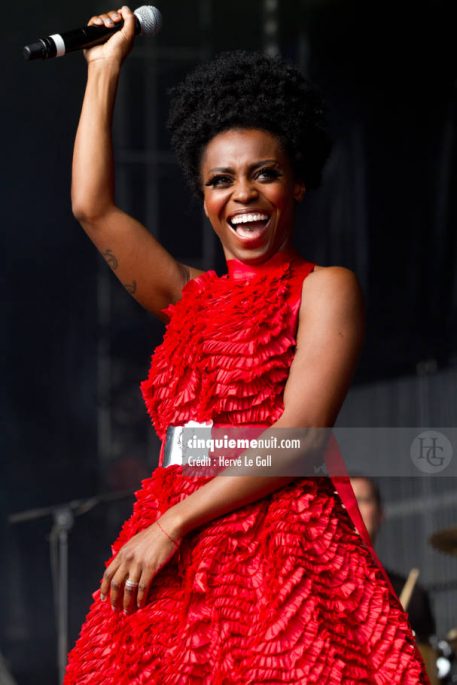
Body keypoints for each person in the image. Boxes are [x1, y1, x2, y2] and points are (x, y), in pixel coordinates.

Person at [64, 6, 430, 683]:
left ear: (296, 182)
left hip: (277, 543)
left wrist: (172, 525)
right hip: (170, 556)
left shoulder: (324, 287)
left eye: (262, 173)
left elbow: (299, 436)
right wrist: (104, 67)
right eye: (219, 180)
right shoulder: (187, 293)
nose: (242, 195)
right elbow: (93, 208)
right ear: (203, 197)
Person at [349, 475, 436, 644]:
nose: (352, 508)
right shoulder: (306, 590)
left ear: (380, 514)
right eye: (343, 500)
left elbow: (428, 660)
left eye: (361, 500)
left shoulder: (414, 597)